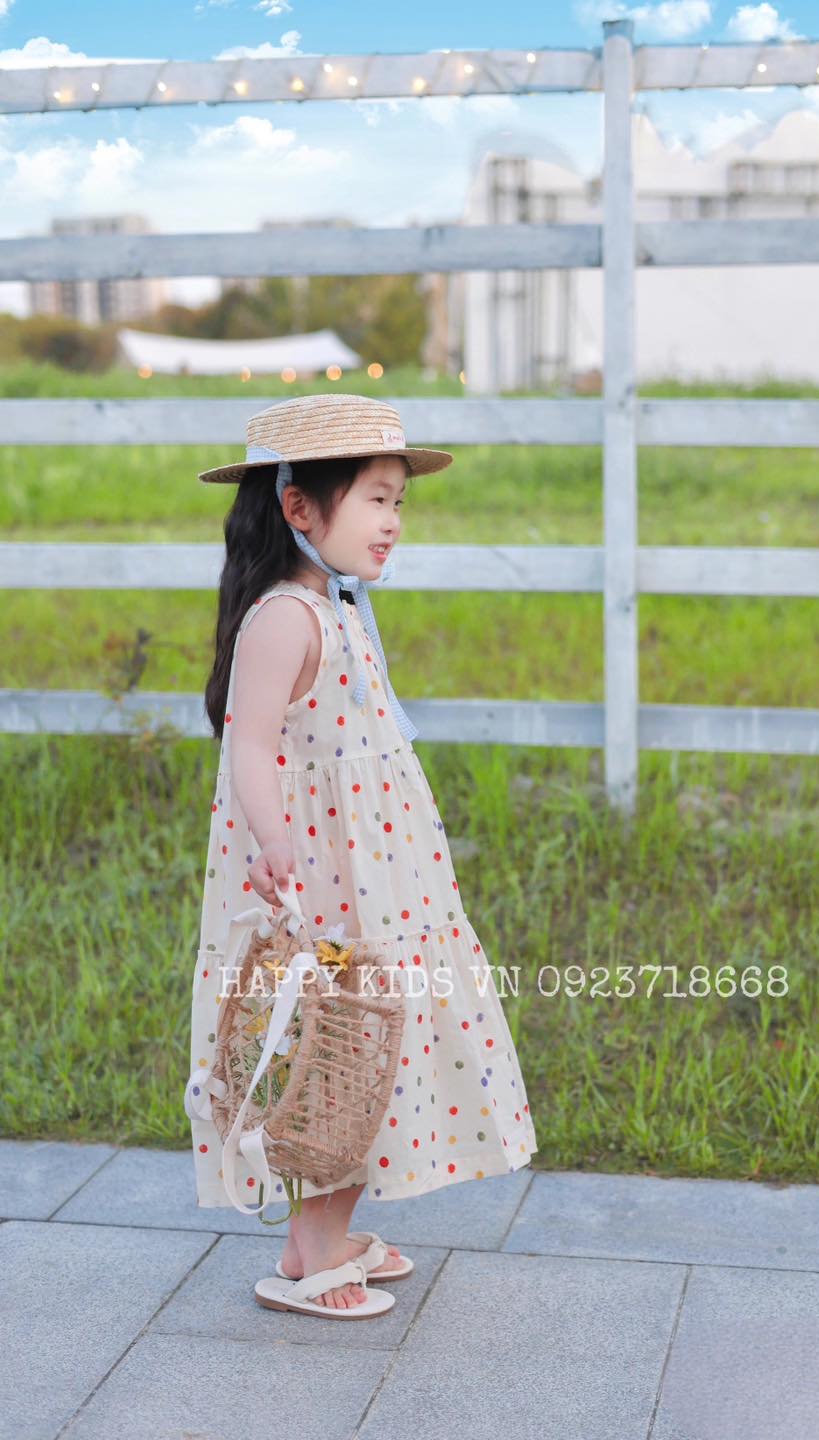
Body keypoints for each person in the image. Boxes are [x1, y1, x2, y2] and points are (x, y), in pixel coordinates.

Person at [186, 392, 538, 1320]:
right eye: (376, 500)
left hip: (378, 879)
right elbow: (249, 743)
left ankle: (324, 1238)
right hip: (324, 879)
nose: (393, 522)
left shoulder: (338, 609)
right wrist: (274, 843)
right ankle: (310, 1257)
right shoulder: (284, 619)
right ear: (300, 507)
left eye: (398, 503)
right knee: (334, 1050)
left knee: (366, 1048)